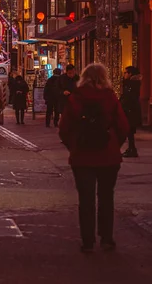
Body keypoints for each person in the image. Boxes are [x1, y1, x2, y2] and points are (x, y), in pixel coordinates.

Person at [58, 63, 129, 253]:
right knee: (106, 197)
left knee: (86, 199)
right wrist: (114, 143)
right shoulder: (110, 97)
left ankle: (87, 240)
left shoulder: (76, 98)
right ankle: (106, 238)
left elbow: (64, 128)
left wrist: (73, 145)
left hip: (82, 156)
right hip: (108, 156)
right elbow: (123, 126)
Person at [120, 66, 142, 158]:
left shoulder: (132, 84)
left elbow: (129, 97)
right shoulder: (130, 83)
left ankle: (132, 149)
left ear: (130, 74)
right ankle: (131, 148)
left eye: (125, 73)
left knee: (129, 130)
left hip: (131, 110)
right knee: (129, 131)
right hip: (130, 109)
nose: (124, 74)